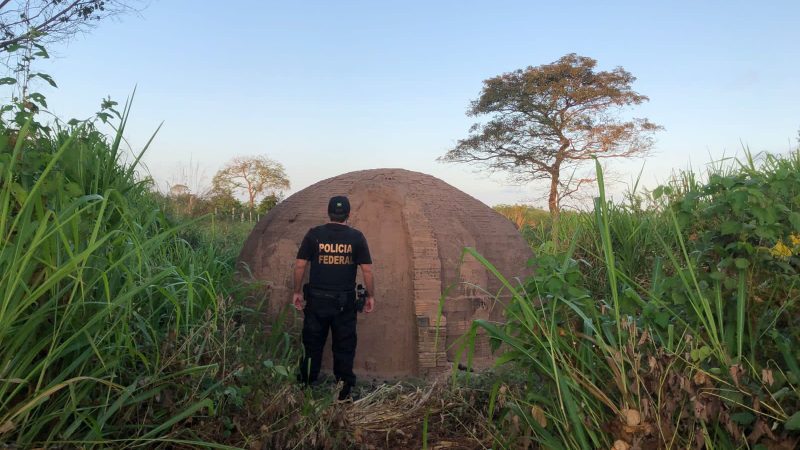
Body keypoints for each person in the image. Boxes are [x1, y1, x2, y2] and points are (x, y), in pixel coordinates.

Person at [293, 195, 375, 400]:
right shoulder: (356, 237)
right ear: (348, 214)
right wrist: (370, 295)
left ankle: (305, 388)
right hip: (344, 303)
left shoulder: (314, 235)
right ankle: (344, 392)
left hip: (316, 300)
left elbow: (300, 265)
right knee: (344, 346)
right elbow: (367, 270)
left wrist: (296, 292)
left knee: (311, 344)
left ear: (328, 212)